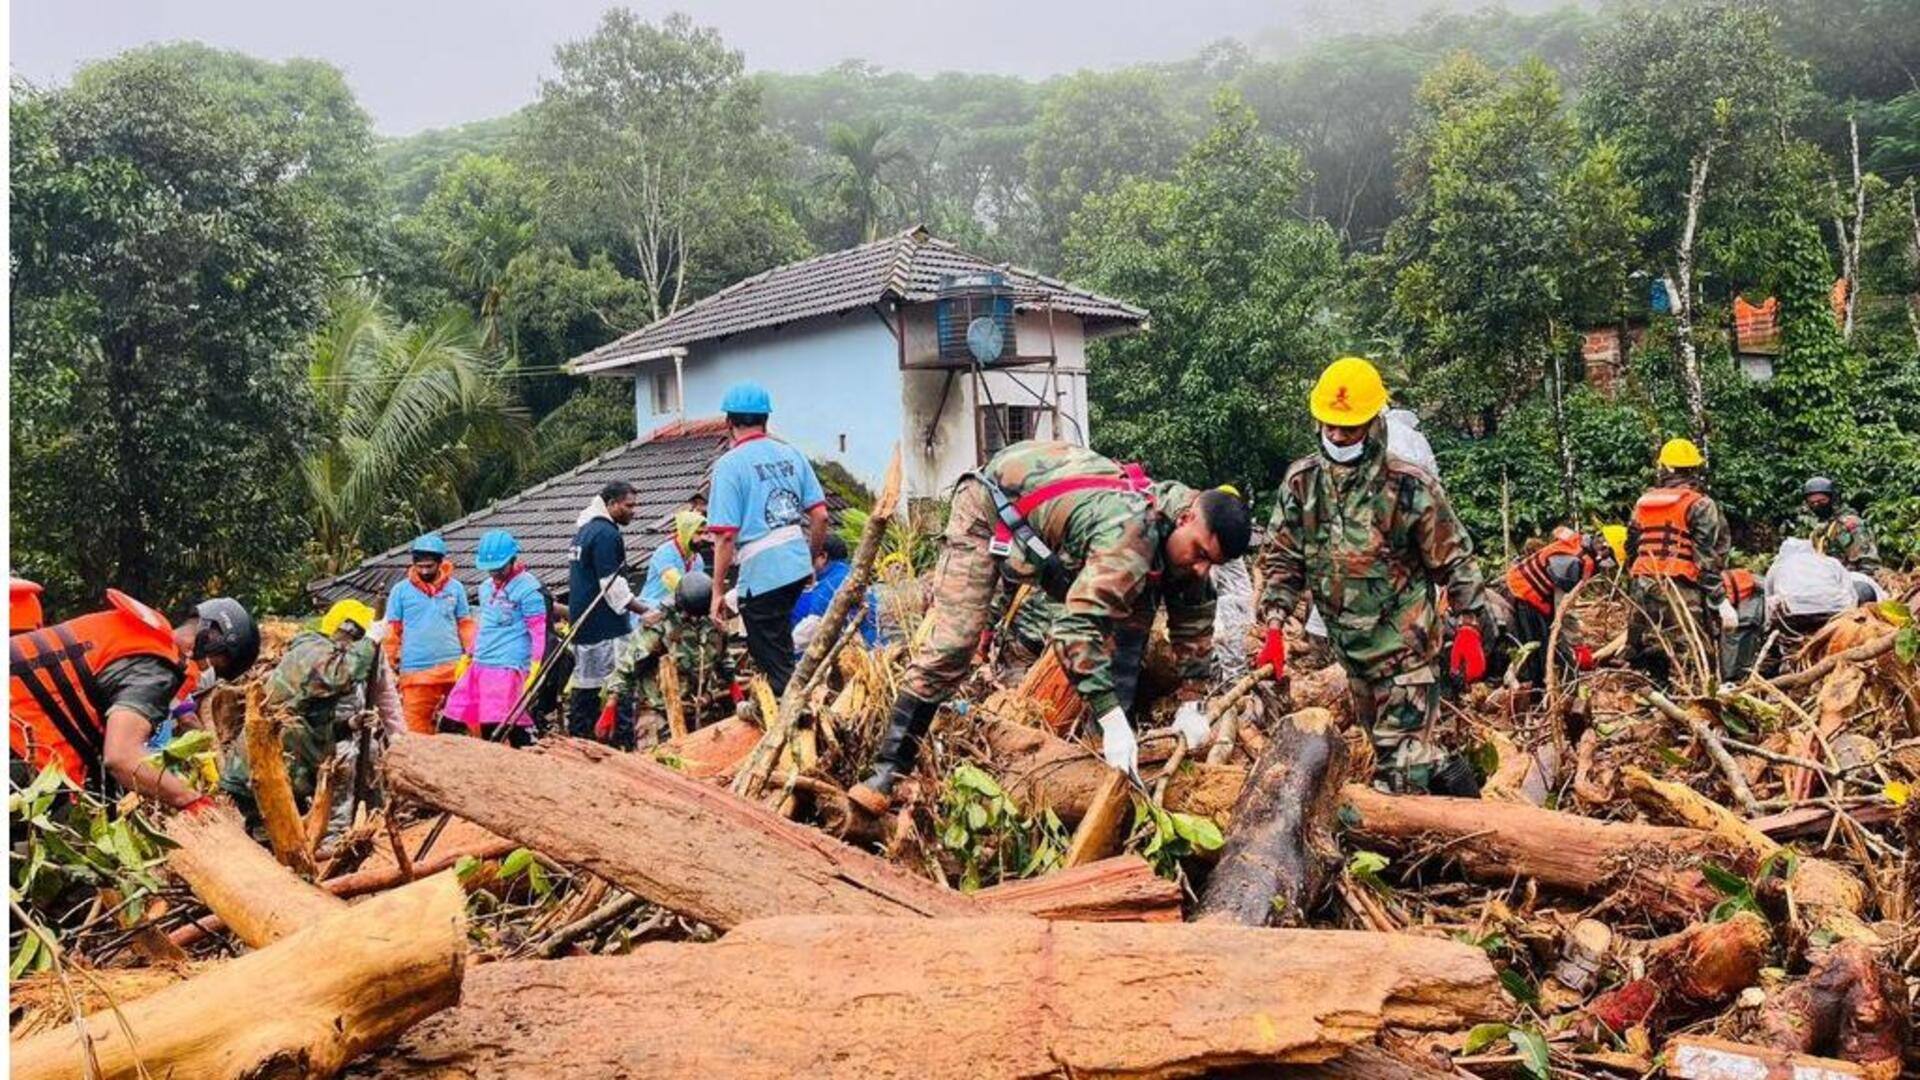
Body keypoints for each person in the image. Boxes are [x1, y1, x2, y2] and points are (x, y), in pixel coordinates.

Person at [848, 440, 1251, 814]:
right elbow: (1073, 629)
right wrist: (1113, 719)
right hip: (991, 505)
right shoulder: (1130, 536)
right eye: (1199, 553)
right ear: (1185, 517)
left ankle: (1105, 762)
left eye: (1211, 562)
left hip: (1060, 516)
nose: (1200, 567)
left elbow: (1194, 618)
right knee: (957, 642)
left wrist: (1192, 701)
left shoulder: (1184, 543)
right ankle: (888, 770)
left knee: (1129, 635)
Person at [1257, 357, 1491, 795]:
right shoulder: (1302, 484)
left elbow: (1455, 558)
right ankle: (1452, 779)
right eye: (1330, 427)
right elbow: (1283, 559)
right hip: (1353, 653)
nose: (1339, 437)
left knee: (1398, 781)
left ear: (1374, 423)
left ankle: (1425, 855)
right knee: (1394, 753)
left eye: (1350, 429)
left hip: (1405, 649)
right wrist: (1274, 625)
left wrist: (1471, 625)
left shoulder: (1408, 486)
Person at [10, 591, 258, 809]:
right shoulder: (157, 670)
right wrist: (190, 800)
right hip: (15, 742)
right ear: (212, 640)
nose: (208, 673)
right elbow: (121, 757)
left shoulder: (138, 638)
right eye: (215, 665)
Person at [222, 598, 399, 832]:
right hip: (261, 772)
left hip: (279, 767)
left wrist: (349, 724)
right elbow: (342, 674)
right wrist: (369, 642)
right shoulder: (313, 652)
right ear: (348, 631)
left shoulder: (320, 653)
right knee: (275, 835)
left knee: (282, 833)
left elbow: (311, 721)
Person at [706, 382, 830, 695]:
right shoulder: (792, 454)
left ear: (729, 423)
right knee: (780, 644)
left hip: (762, 575)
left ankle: (793, 717)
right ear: (766, 420)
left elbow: (724, 538)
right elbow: (820, 516)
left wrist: (717, 592)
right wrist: (811, 558)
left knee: (773, 663)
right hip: (795, 566)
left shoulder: (729, 465)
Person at [1624, 438, 1731, 686]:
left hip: (1643, 585)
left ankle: (1654, 700)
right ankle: (1693, 702)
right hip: (1680, 588)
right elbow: (1705, 557)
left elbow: (1632, 546)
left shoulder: (1643, 503)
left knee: (1649, 650)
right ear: (1694, 469)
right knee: (1693, 653)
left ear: (1665, 468)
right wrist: (1719, 598)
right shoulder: (1701, 504)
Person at [608, 570, 738, 746]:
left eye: (699, 615)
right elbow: (627, 667)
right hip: (659, 710)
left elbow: (723, 658)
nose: (695, 619)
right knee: (657, 759)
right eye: (691, 615)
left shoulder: (712, 626)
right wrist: (611, 705)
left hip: (700, 708)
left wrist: (733, 685)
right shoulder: (659, 626)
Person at [440, 530, 546, 747]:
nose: (495, 574)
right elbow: (484, 624)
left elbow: (538, 632)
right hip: (481, 663)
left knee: (503, 722)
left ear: (513, 560)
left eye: (500, 568)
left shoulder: (529, 590)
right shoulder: (485, 588)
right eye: (491, 569)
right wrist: (468, 654)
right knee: (456, 716)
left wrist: (536, 666)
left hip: (508, 666)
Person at [567, 481, 652, 747]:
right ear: (612, 504)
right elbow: (613, 585)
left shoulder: (584, 531)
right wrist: (645, 611)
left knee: (586, 687)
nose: (633, 512)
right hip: (606, 626)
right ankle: (622, 746)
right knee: (619, 686)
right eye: (628, 506)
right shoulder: (606, 535)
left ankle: (579, 740)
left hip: (584, 625)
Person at [1492, 526, 1622, 687]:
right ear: (1603, 550)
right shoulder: (1572, 563)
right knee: (1537, 654)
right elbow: (1563, 610)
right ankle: (1528, 690)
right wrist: (1577, 645)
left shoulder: (1577, 549)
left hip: (1527, 595)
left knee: (1543, 649)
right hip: (1524, 596)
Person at [383, 534, 474, 735]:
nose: (424, 571)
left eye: (429, 566)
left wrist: (473, 653)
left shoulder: (456, 588)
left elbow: (465, 624)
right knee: (415, 733)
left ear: (440, 563)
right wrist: (388, 667)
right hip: (416, 674)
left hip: (453, 670)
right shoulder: (400, 591)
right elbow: (392, 633)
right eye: (420, 566)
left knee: (467, 726)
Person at [790, 533, 880, 650]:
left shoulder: (829, 585)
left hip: (854, 652)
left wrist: (786, 649)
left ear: (823, 556)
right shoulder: (851, 575)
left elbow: (813, 627)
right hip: (874, 645)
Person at [1763, 538, 1858, 640]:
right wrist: (1851, 611)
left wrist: (1767, 626)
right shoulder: (1830, 562)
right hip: (1834, 613)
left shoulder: (1777, 566)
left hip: (1794, 617)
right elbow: (1850, 591)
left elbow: (1768, 595)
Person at [1802, 477, 1881, 576]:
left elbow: (1869, 565)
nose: (1817, 506)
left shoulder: (1850, 524)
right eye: (1812, 503)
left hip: (1849, 582)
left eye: (1822, 501)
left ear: (1833, 499)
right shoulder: (1821, 529)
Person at [641, 510, 707, 613]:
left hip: (677, 611)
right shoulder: (665, 552)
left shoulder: (698, 560)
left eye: (705, 533)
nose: (703, 537)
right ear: (686, 532)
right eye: (698, 533)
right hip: (651, 609)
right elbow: (675, 582)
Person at [1721, 565, 1767, 681]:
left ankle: (1732, 677)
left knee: (1732, 647)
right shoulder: (1747, 578)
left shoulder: (1716, 584)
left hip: (1742, 614)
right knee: (1742, 648)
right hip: (1746, 615)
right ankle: (1738, 676)